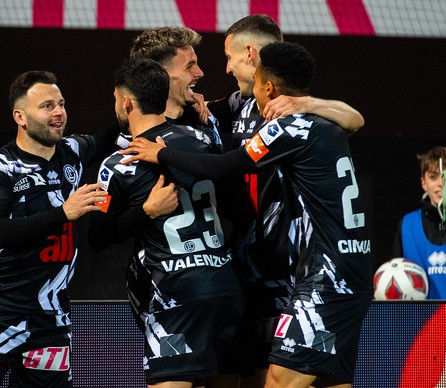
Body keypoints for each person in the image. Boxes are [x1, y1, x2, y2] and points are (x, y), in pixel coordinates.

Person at [121, 41, 373, 388]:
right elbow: (356, 118)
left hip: (325, 278)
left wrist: (162, 154)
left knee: (280, 382)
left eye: (255, 81)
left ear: (268, 87)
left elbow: (224, 167)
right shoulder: (328, 122)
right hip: (352, 272)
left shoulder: (285, 127)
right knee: (333, 382)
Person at [208, 14, 367, 387]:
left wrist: (308, 103)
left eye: (229, 56)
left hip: (298, 269)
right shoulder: (235, 105)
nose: (226, 67)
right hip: (252, 265)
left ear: (250, 54)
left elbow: (356, 118)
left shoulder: (297, 110)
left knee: (283, 376)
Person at [0, 70, 122, 387]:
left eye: (61, 104)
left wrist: (139, 99)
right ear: (20, 116)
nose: (58, 113)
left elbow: (112, 133)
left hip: (51, 321)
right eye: (46, 106)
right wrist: (62, 213)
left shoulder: (74, 151)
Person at [88, 58, 243, 388]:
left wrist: (145, 212)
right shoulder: (204, 140)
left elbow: (97, 237)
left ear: (126, 101)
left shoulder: (119, 162)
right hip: (226, 286)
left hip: (177, 293)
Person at [393, 146, 446, 299]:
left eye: (445, 176)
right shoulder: (407, 225)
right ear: (424, 183)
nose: (440, 183)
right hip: (421, 321)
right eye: (434, 177)